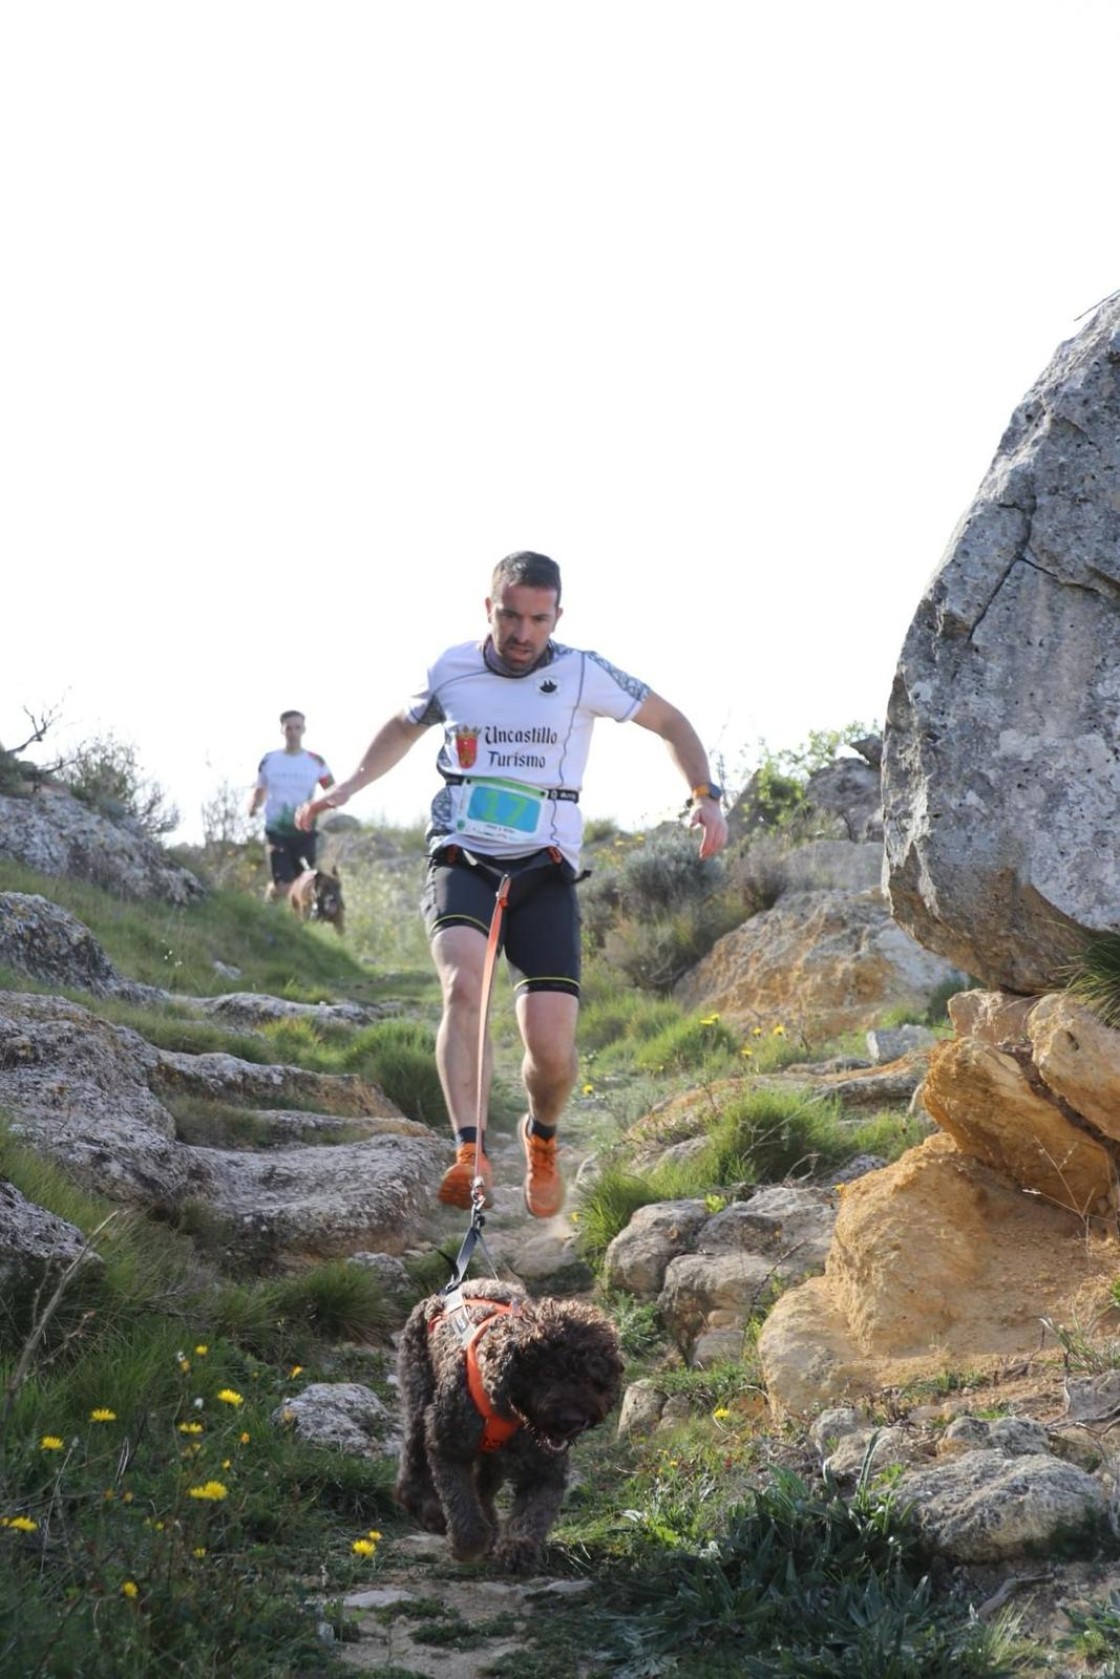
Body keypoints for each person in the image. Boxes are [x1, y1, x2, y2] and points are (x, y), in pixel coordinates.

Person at [296, 552, 727, 1219]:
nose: (524, 633)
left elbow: (671, 721)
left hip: (544, 870)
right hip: (462, 855)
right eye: (511, 616)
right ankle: (468, 1151)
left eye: (538, 619)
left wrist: (704, 795)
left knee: (552, 1052)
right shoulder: (451, 668)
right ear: (488, 607)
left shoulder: (582, 671)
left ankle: (541, 1137)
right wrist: (349, 785)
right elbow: (403, 727)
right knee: (463, 983)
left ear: (557, 615)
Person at [249, 710, 336, 900]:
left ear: (304, 729)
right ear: (282, 730)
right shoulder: (269, 760)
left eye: (297, 727)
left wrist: (321, 806)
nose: (293, 732)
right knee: (285, 885)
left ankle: (284, 914)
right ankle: (276, 903)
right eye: (289, 728)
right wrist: (254, 805)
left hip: (305, 832)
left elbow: (332, 790)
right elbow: (260, 790)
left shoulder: (316, 761)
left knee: (303, 883)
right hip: (276, 831)